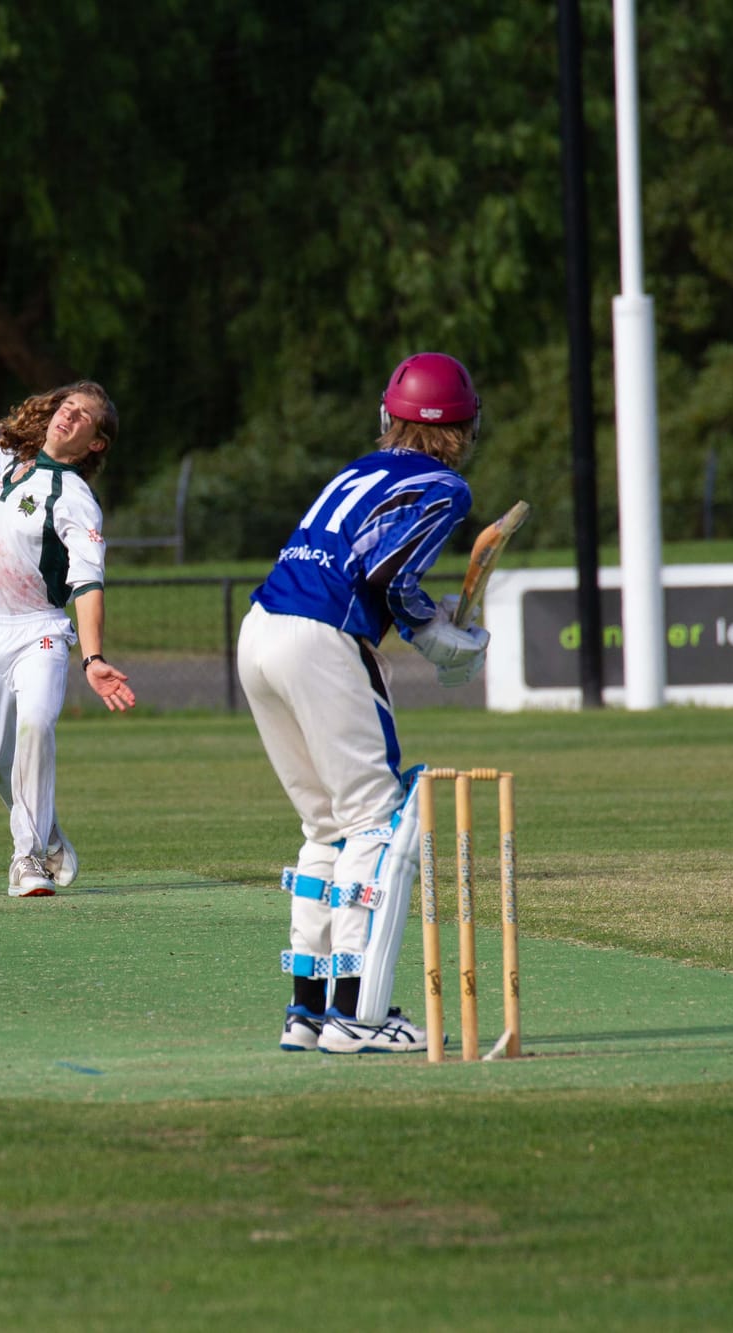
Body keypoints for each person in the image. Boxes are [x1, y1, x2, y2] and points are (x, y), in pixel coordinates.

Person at [237, 352, 492, 1054]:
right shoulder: (446, 486)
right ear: (464, 429)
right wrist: (435, 636)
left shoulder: (356, 468)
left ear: (390, 417)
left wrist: (425, 617)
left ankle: (309, 1010)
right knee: (378, 823)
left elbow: (373, 565)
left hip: (258, 632)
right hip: (319, 639)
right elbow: (388, 571)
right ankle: (360, 1015)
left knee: (326, 830)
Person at [0, 381, 136, 896]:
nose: (70, 418)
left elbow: (89, 583)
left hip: (40, 630)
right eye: (67, 407)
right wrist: (1, 433)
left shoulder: (76, 499)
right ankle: (47, 832)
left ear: (95, 444)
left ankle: (27, 859)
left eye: (84, 419)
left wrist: (94, 656)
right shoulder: (14, 463)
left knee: (35, 723)